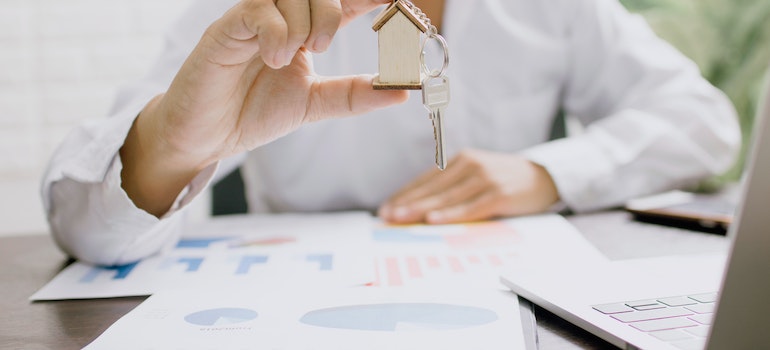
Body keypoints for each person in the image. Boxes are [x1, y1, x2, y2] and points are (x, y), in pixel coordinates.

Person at [42, 0, 740, 266]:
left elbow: (704, 121)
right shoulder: (254, 9)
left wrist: (550, 173)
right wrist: (174, 147)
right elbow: (86, 226)